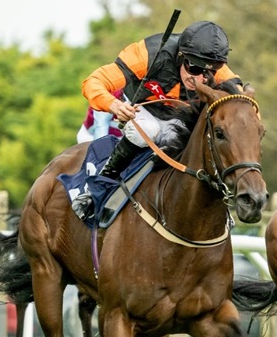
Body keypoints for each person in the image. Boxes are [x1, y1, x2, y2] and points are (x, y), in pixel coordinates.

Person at [71, 20, 244, 218]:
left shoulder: (217, 69)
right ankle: (98, 188)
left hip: (177, 117)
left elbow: (243, 105)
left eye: (209, 72)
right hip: (141, 109)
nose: (200, 79)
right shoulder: (148, 53)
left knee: (194, 140)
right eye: (194, 69)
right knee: (147, 130)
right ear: (181, 56)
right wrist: (115, 105)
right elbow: (93, 82)